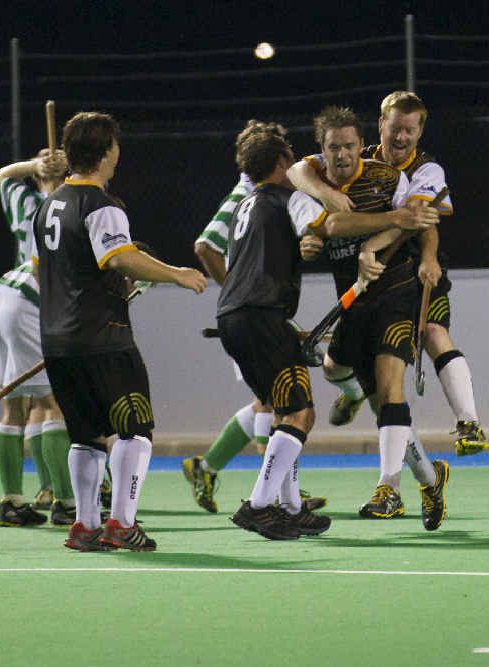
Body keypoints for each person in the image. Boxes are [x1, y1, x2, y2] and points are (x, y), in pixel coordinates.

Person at [32, 111, 207, 551]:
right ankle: (121, 524)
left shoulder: (47, 206)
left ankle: (85, 526)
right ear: (107, 151)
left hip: (57, 341)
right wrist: (177, 273)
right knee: (135, 429)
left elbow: (44, 269)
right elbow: (121, 257)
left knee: (86, 435)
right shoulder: (101, 206)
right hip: (103, 337)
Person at [297, 91, 489, 456]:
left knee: (432, 333)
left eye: (409, 131)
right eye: (395, 128)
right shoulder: (356, 154)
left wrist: (427, 257)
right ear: (381, 125)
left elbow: (417, 221)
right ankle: (356, 396)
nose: (401, 137)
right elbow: (298, 170)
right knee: (337, 367)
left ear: (420, 132)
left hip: (414, 270)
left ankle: (469, 423)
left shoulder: (427, 170)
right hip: (367, 280)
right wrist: (323, 196)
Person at [287, 105, 450, 530]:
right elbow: (328, 227)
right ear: (321, 151)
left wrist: (384, 241)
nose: (342, 154)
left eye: (349, 146)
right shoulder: (307, 190)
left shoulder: (389, 178)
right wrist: (310, 241)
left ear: (362, 144)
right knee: (359, 388)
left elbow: (418, 220)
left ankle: (387, 489)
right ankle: (431, 479)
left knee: (391, 389)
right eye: (333, 148)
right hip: (354, 301)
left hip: (397, 292)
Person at [217, 120, 368, 539]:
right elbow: (324, 227)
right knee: (302, 413)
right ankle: (258, 505)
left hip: (232, 318)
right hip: (262, 316)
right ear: (283, 162)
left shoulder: (244, 205)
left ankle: (290, 506)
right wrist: (387, 220)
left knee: (283, 411)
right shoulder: (291, 198)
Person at [182, 128, 325, 515]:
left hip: (242, 313)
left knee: (275, 404)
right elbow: (204, 246)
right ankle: (267, 501)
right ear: (279, 161)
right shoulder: (256, 196)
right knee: (289, 409)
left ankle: (284, 503)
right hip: (255, 312)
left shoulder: (250, 200)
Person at [0, 147, 76, 527]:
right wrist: (39, 166)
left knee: (17, 406)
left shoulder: (30, 201)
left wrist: (39, 168)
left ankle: (13, 502)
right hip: (31, 301)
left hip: (1, 295)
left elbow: (5, 176)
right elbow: (3, 174)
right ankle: (65, 503)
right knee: (56, 402)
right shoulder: (71, 205)